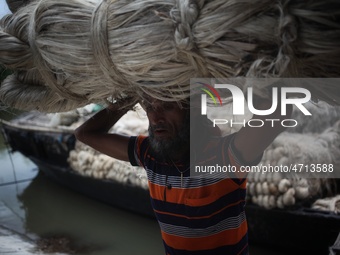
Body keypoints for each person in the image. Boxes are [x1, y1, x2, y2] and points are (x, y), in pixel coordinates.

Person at [74, 93, 292, 255]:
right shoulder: (150, 154)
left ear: (191, 111)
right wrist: (128, 100)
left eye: (168, 106)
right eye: (150, 106)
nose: (156, 116)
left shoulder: (222, 158)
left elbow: (280, 110)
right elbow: (84, 134)